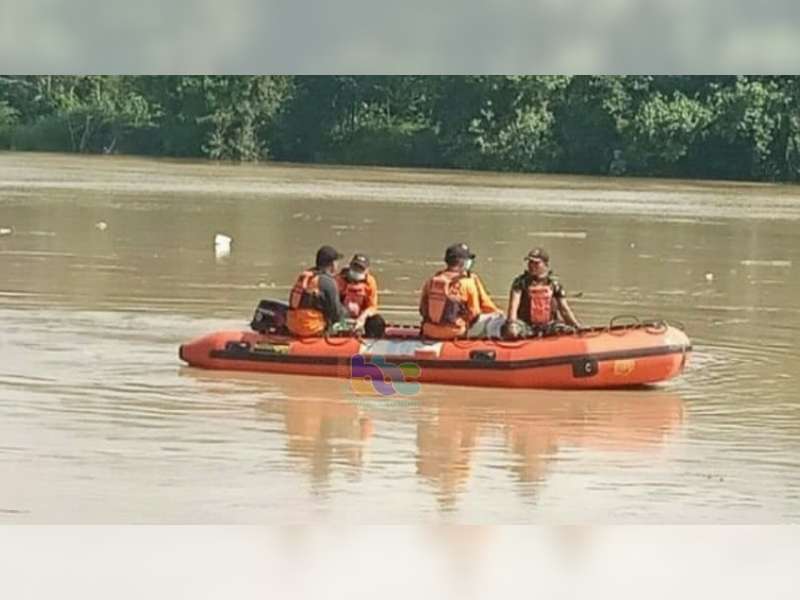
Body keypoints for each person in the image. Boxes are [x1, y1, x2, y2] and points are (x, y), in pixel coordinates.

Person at [419, 243, 504, 340]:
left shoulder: (431, 281)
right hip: (456, 332)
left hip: (429, 331)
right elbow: (474, 314)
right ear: (462, 262)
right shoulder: (467, 283)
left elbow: (422, 310)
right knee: (498, 319)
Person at [504, 247, 581, 338]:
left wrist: (577, 327)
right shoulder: (520, 282)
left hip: (549, 326)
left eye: (536, 263)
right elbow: (513, 307)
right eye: (530, 262)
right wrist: (512, 324)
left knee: (567, 331)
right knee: (513, 331)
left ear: (545, 264)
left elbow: (564, 310)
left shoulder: (554, 284)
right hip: (526, 326)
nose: (532, 266)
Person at [286, 245, 348, 337]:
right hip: (311, 328)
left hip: (292, 326)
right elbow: (336, 314)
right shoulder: (328, 282)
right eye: (336, 262)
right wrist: (347, 312)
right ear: (332, 264)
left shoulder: (305, 276)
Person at [335, 254, 384, 337]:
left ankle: (371, 341)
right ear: (350, 266)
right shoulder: (339, 280)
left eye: (361, 269)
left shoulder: (370, 282)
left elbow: (372, 307)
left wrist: (362, 318)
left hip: (361, 316)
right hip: (341, 315)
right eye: (355, 267)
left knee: (377, 321)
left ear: (367, 271)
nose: (357, 270)